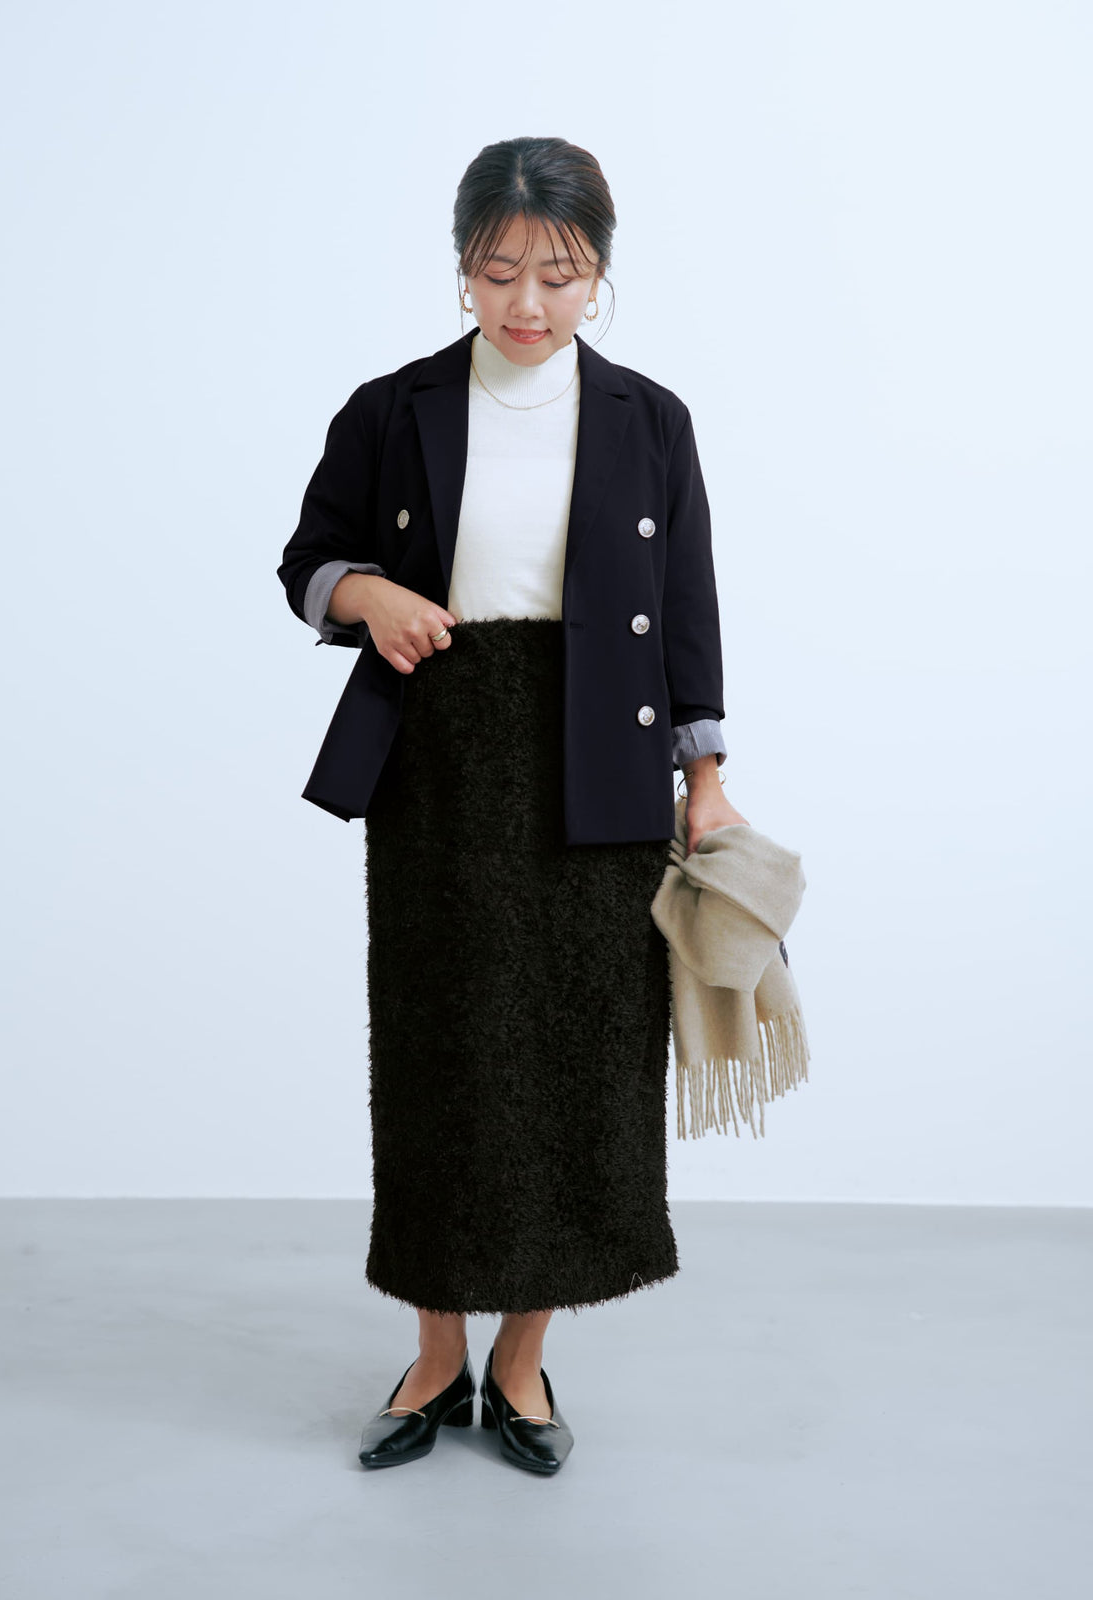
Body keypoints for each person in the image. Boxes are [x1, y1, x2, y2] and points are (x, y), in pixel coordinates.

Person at [276, 136, 748, 1474]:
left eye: (559, 273)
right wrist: (370, 595)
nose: (528, 303)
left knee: (583, 1066)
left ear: (599, 273)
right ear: (463, 268)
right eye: (499, 272)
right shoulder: (394, 408)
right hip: (441, 759)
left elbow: (689, 612)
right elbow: (308, 561)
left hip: (605, 764)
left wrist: (707, 782)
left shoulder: (651, 420)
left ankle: (524, 1361)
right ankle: (436, 1358)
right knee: (443, 1060)